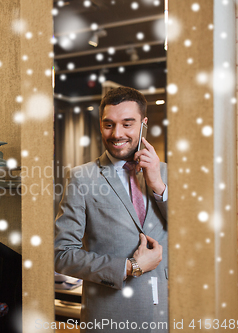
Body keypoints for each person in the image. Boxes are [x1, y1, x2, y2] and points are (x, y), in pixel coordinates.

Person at [54, 87, 168, 333]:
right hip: (109, 319)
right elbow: (61, 254)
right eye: (109, 125)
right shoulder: (80, 178)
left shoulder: (166, 174)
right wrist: (130, 267)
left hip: (166, 316)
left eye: (127, 124)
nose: (117, 134)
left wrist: (158, 185)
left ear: (143, 124)